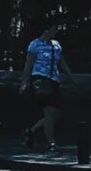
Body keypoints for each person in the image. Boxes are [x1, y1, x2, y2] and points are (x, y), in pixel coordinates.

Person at [22, 21, 68, 150]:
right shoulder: (35, 45)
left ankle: (32, 130)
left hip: (54, 79)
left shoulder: (56, 45)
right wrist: (25, 82)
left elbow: (61, 62)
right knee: (49, 111)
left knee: (56, 113)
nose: (55, 32)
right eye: (53, 29)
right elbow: (28, 65)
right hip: (40, 79)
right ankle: (50, 142)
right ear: (46, 31)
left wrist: (71, 76)